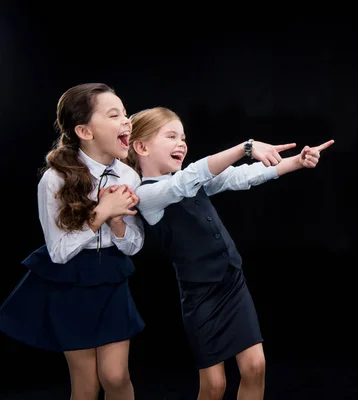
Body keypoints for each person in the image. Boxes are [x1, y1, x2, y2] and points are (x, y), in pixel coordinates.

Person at [124, 106, 333, 400]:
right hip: (200, 294)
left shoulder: (190, 179)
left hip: (231, 281)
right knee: (214, 386)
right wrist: (245, 147)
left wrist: (295, 163)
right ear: (141, 146)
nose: (181, 143)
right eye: (171, 136)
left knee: (255, 366)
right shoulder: (148, 195)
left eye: (183, 137)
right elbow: (186, 181)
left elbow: (240, 177)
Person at [0, 83, 145, 400]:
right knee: (86, 384)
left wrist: (118, 222)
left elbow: (134, 246)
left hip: (111, 276)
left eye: (125, 113)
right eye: (113, 114)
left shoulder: (130, 176)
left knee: (116, 376)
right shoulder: (55, 178)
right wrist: (101, 213)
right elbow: (59, 251)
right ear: (85, 131)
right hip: (69, 282)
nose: (126, 121)